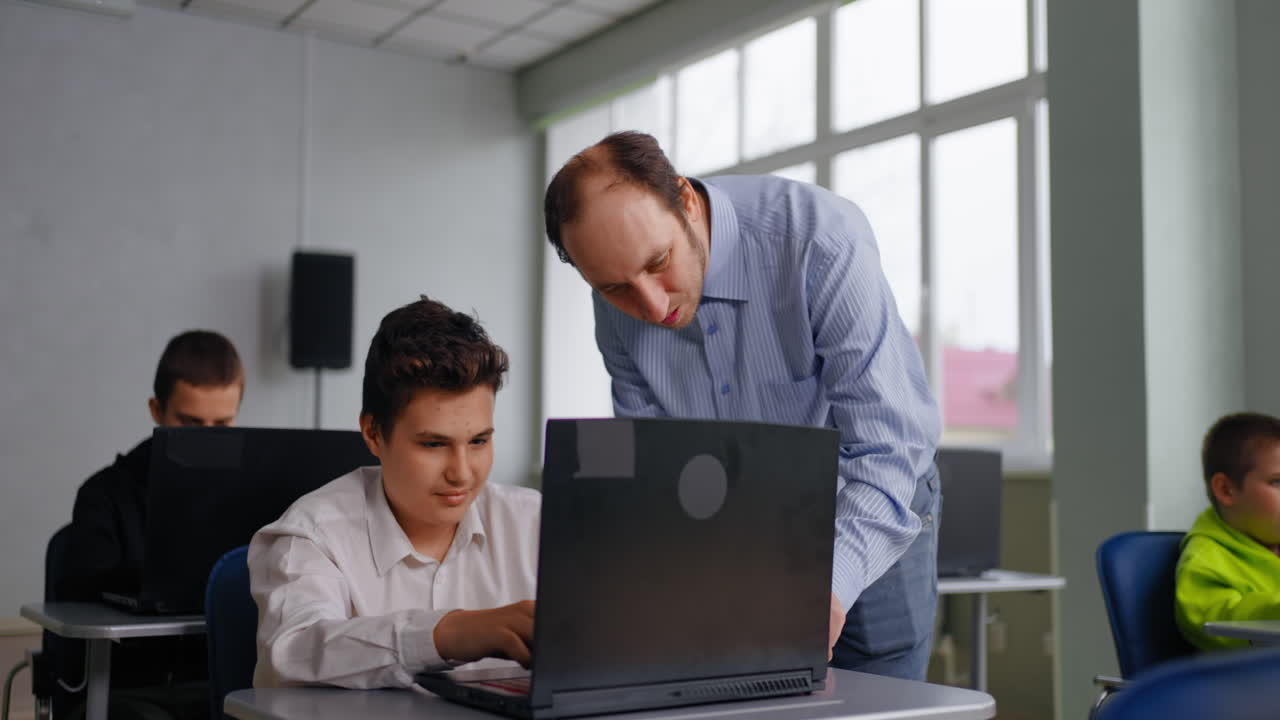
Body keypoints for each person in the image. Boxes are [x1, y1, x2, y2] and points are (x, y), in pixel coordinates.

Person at [543, 131, 942, 680]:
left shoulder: (820, 239)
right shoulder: (615, 296)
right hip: (741, 516)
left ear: (684, 200)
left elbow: (890, 445)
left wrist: (825, 587)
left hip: (868, 496)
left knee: (879, 691)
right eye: (615, 288)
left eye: (659, 262)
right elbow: (658, 462)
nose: (651, 305)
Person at [250, 296, 540, 689]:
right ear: (373, 433)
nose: (462, 473)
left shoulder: (537, 522)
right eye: (433, 445)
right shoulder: (312, 535)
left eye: (478, 441)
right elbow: (292, 654)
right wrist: (445, 635)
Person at [58, 329, 244, 718]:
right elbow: (84, 603)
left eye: (222, 425)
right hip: (127, 691)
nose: (206, 440)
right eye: (190, 423)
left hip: (224, 688)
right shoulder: (102, 497)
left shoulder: (252, 495)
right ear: (156, 410)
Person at [1175, 411, 1280, 650]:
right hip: (1246, 683)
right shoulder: (1205, 560)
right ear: (1226, 490)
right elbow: (1218, 620)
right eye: (1278, 482)